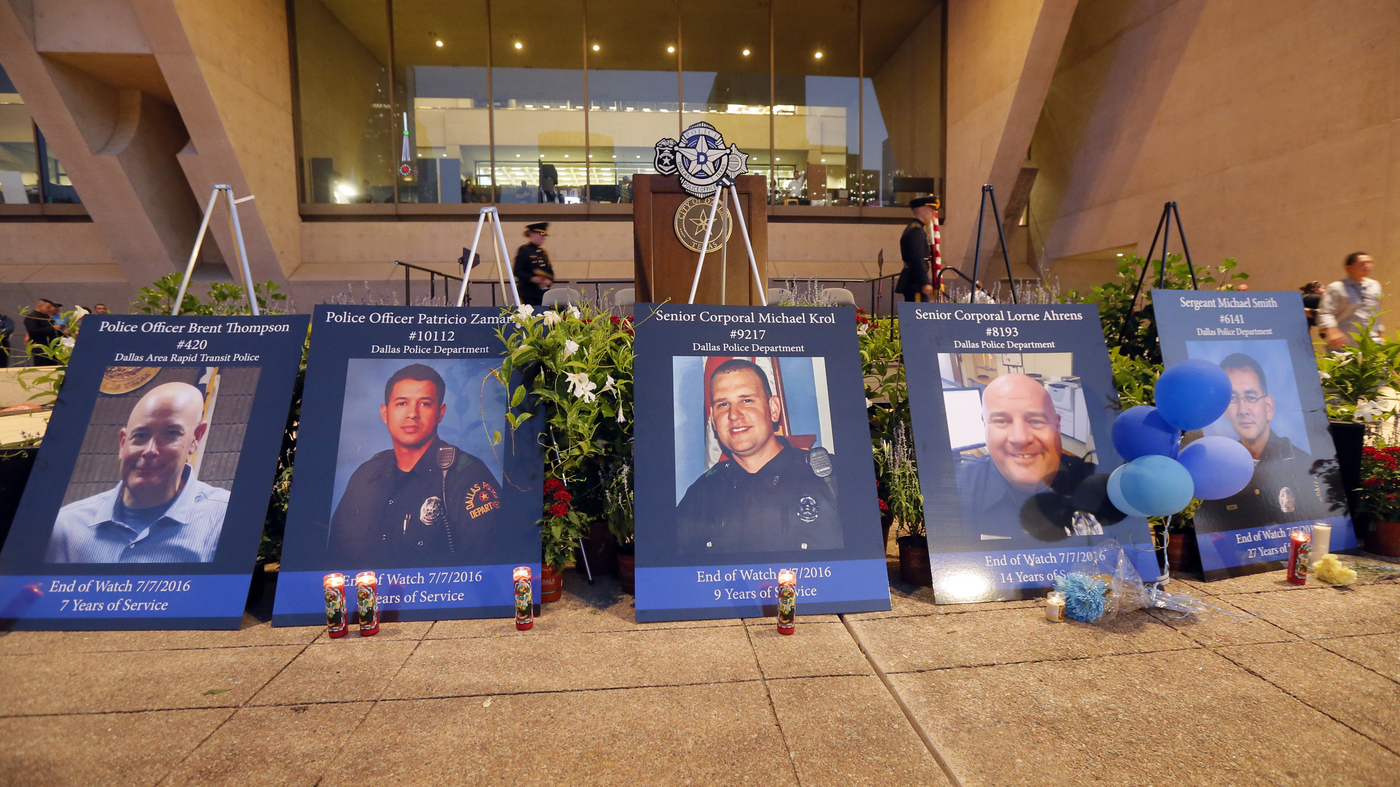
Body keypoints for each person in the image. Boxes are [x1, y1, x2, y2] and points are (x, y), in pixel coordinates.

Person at [329, 364, 503, 566]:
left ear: (440, 412)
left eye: (425, 404)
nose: (412, 413)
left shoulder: (468, 478)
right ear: (385, 413)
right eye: (402, 403)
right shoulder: (365, 476)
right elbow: (334, 563)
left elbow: (485, 574)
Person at [675, 359, 843, 554]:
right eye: (723, 404)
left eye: (746, 400)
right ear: (713, 419)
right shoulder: (701, 495)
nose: (734, 415)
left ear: (773, 409)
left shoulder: (830, 479)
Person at [47, 382, 228, 563]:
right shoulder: (66, 528)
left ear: (196, 439)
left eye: (170, 433)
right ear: (122, 442)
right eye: (140, 436)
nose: (150, 450)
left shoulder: (225, 521)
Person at [954, 373, 1109, 546]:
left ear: (1057, 426)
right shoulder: (955, 491)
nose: (1020, 438)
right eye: (1002, 421)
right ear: (985, 425)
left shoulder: (1102, 489)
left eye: (1035, 420)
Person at [1194, 353, 1330, 530]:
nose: (1243, 410)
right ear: (1224, 409)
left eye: (1251, 397)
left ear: (1268, 407)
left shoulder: (1303, 465)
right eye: (1233, 399)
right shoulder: (1218, 469)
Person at [1317, 252, 1383, 349]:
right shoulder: (1336, 287)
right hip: (1344, 343)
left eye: (1369, 262)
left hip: (1371, 342)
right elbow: (1325, 312)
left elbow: (1376, 311)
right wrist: (1331, 331)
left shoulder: (1375, 286)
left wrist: (1380, 334)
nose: (1366, 266)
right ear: (1348, 267)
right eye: (1362, 263)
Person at [895, 197, 937, 302]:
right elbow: (917, 258)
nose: (933, 214)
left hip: (915, 281)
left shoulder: (916, 229)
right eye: (931, 210)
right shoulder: (916, 231)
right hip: (915, 282)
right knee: (918, 315)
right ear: (921, 210)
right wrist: (924, 282)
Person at [513, 222, 555, 306]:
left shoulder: (543, 253)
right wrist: (532, 278)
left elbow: (550, 272)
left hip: (543, 293)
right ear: (533, 234)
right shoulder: (524, 250)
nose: (543, 238)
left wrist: (549, 280)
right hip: (528, 293)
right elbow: (517, 271)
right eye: (541, 235)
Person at [23, 299, 65, 366]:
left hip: (51, 347)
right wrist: (52, 328)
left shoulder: (47, 317)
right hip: (40, 348)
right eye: (47, 308)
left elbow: (54, 329)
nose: (49, 309)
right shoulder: (31, 317)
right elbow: (33, 332)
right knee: (42, 366)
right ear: (39, 306)